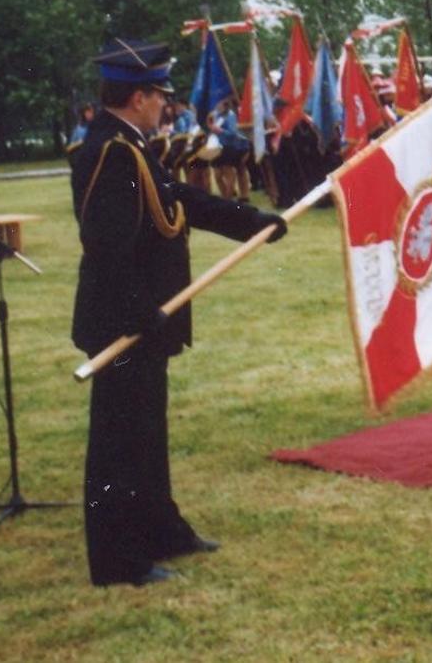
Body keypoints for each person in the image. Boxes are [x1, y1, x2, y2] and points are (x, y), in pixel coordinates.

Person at [70, 37, 290, 587]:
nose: (166, 105)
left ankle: (161, 529)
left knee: (147, 433)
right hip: (127, 320)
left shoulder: (132, 144)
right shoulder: (110, 151)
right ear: (139, 96)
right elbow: (106, 245)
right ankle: (118, 562)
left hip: (146, 315)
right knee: (119, 442)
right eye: (160, 95)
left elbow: (182, 201)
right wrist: (135, 310)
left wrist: (253, 222)